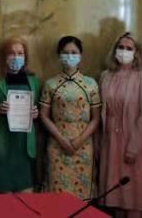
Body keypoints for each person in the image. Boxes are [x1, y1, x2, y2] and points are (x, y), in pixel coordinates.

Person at [99, 32, 142, 217]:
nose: (124, 51)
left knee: (134, 196)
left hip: (135, 141)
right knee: (115, 196)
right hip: (111, 142)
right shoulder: (106, 76)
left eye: (129, 48)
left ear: (136, 52)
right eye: (121, 47)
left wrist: (133, 147)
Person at [40, 36, 100, 199]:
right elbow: (44, 115)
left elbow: (96, 118)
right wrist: (61, 139)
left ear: (81, 55)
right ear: (59, 55)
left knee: (82, 195)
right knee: (57, 196)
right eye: (65, 52)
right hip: (57, 144)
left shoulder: (91, 84)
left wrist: (79, 140)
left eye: (74, 52)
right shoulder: (50, 84)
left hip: (83, 145)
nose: (70, 56)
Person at [0, 37, 40, 193]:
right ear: (4, 56)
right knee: (2, 199)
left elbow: (39, 109)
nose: (16, 57)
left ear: (25, 57)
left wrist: (36, 113)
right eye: (11, 53)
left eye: (20, 53)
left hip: (23, 148)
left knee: (26, 196)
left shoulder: (33, 80)